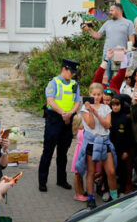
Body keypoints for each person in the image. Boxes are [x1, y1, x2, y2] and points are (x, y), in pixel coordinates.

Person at [39, 59, 80, 192]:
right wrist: (63, 112)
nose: (72, 74)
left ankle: (61, 180)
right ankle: (42, 181)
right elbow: (50, 100)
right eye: (71, 71)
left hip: (68, 120)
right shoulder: (54, 82)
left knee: (63, 152)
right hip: (54, 119)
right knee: (48, 151)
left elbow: (77, 101)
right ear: (64, 69)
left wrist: (70, 113)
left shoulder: (75, 84)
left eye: (74, 72)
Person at [77, 83, 113, 208]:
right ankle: (91, 197)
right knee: (91, 171)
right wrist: (90, 111)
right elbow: (91, 125)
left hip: (104, 141)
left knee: (110, 171)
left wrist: (97, 113)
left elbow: (107, 125)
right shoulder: (84, 108)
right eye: (94, 94)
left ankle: (113, 195)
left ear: (102, 95)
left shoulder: (106, 108)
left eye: (99, 94)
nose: (96, 97)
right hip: (91, 143)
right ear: (90, 94)